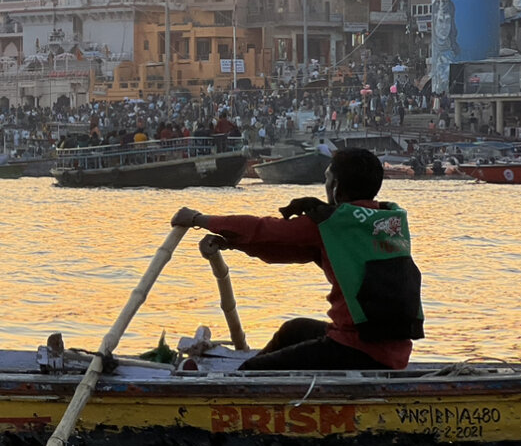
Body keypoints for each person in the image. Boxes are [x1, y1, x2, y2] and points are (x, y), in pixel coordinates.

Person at [171, 148, 423, 370]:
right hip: (394, 350)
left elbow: (264, 229)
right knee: (295, 329)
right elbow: (291, 249)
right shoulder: (387, 218)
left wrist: (198, 220)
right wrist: (232, 243)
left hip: (360, 349)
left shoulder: (333, 224)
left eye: (327, 180)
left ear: (336, 187)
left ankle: (242, 377)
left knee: (254, 370)